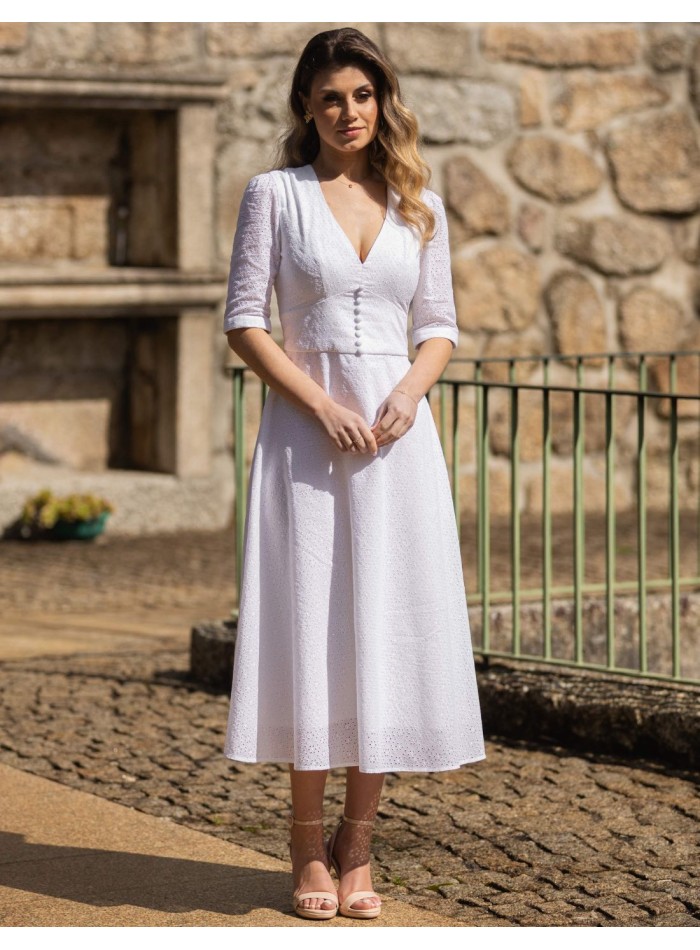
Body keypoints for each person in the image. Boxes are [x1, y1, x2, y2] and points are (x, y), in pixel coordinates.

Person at [222, 27, 486, 922]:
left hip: (397, 444)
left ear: (384, 102)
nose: (349, 112)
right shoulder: (275, 195)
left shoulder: (421, 204)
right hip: (308, 440)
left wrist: (411, 392)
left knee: (385, 627)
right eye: (332, 97)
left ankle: (359, 844)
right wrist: (318, 404)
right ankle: (305, 842)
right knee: (313, 627)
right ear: (307, 105)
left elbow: (439, 323)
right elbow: (244, 321)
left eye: (363, 96)